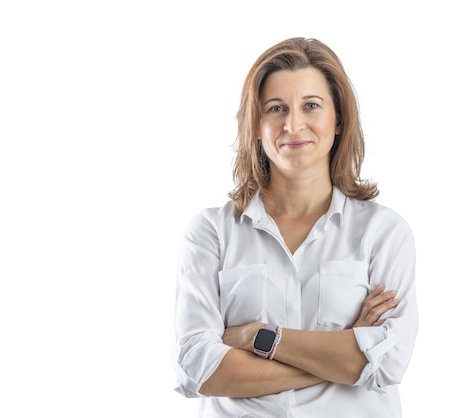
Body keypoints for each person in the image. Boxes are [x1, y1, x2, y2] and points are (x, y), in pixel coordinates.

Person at [174, 37, 418, 417]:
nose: (292, 124)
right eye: (276, 108)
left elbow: (387, 363)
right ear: (255, 125)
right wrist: (342, 353)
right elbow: (198, 368)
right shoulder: (211, 232)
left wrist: (256, 337)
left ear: (338, 120)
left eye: (311, 106)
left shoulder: (383, 232)